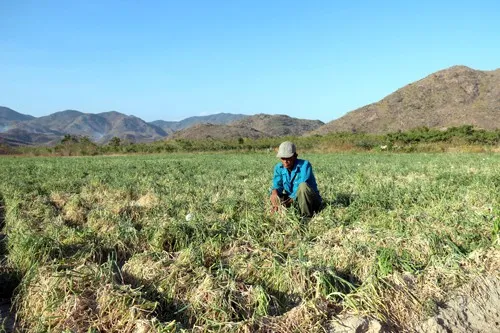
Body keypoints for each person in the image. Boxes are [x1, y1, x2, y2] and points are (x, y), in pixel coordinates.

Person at [270, 141, 322, 217]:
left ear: (295, 156)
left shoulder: (305, 165)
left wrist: (285, 204)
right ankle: (278, 212)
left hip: (310, 201)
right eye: (283, 158)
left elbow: (299, 190)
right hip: (293, 200)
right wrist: (274, 193)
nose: (285, 161)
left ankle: (306, 216)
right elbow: (277, 185)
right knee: (274, 194)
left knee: (303, 186)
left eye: (288, 158)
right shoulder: (279, 168)